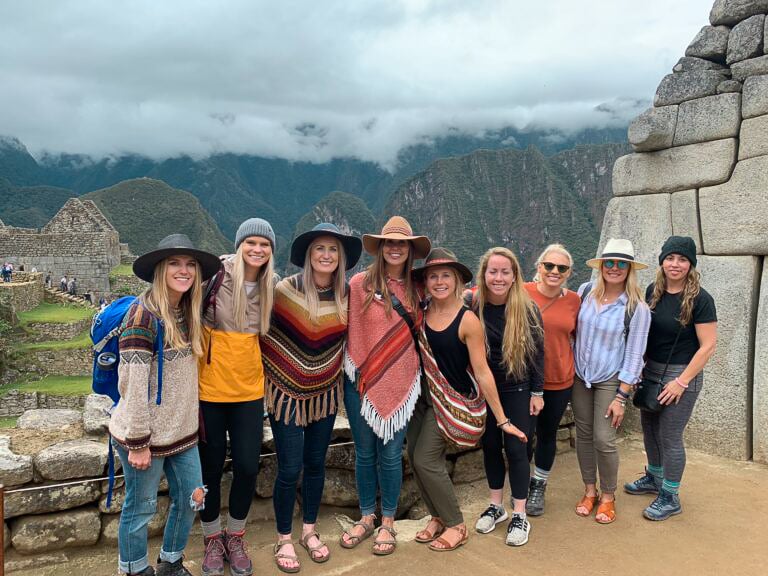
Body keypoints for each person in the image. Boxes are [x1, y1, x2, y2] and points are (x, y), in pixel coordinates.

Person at [108, 233, 221, 576]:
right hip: (145, 436)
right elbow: (133, 385)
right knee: (140, 507)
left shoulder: (188, 312)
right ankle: (134, 569)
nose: (184, 270)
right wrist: (139, 442)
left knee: (192, 497)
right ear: (160, 269)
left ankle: (171, 561)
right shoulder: (142, 317)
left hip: (181, 432)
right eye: (175, 263)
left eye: (190, 265)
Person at [408, 248, 527, 552]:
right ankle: (436, 516)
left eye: (445, 275)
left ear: (458, 280)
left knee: (425, 459)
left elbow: (483, 372)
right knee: (415, 457)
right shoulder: (421, 311)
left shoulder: (467, 320)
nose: (439, 281)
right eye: (432, 276)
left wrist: (502, 419)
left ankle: (455, 524)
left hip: (452, 400)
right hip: (423, 397)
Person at [261, 223, 362, 573]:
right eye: (319, 248)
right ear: (309, 255)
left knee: (316, 464)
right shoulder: (284, 291)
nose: (326, 255)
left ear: (341, 258)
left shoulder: (347, 296)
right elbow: (261, 332)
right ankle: (284, 537)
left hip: (324, 392)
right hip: (284, 392)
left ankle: (309, 530)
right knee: (290, 467)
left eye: (333, 250)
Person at [340, 216, 431, 555]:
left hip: (402, 382)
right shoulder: (359, 284)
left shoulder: (418, 288)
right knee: (364, 454)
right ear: (380, 247)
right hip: (360, 380)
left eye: (402, 244)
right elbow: (348, 330)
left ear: (409, 250)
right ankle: (366, 516)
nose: (395, 248)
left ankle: (388, 520)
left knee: (391, 454)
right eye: (389, 242)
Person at [197, 218, 276, 576]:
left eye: (265, 245)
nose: (257, 250)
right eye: (251, 243)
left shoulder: (270, 285)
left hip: (248, 391)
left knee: (246, 466)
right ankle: (212, 538)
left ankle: (236, 535)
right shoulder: (214, 276)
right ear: (240, 244)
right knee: (210, 469)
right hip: (209, 390)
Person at [624, 236, 717, 520]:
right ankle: (654, 477)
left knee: (670, 435)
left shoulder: (701, 299)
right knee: (649, 426)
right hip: (652, 371)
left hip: (681, 375)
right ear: (662, 261)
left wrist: (681, 382)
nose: (675, 264)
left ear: (690, 265)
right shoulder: (654, 291)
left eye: (682, 259)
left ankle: (670, 495)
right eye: (670, 258)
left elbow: (708, 345)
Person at [572, 238, 651, 524]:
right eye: (610, 263)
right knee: (583, 435)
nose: (614, 268)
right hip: (580, 376)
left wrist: (621, 397)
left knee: (604, 439)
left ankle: (607, 495)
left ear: (629, 269)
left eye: (621, 264)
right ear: (602, 265)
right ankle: (589, 490)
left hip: (610, 380)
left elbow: (635, 355)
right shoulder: (584, 293)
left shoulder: (636, 308)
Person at [470, 247, 544, 546]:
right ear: (483, 275)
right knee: (489, 446)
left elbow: (539, 353)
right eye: (493, 271)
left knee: (516, 449)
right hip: (485, 390)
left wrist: (537, 392)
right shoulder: (473, 306)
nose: (498, 277)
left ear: (514, 276)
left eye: (504, 272)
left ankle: (519, 513)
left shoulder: (526, 309)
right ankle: (496, 505)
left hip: (518, 387)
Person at [523, 244, 581, 516]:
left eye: (561, 268)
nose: (554, 272)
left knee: (547, 436)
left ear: (569, 272)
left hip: (559, 380)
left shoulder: (574, 301)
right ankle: (522, 485)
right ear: (539, 267)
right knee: (522, 436)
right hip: (523, 380)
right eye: (549, 266)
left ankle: (539, 485)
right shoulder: (521, 293)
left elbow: (582, 337)